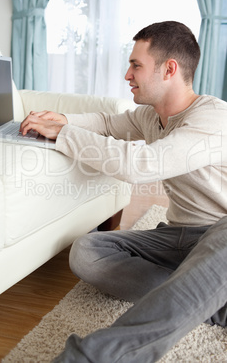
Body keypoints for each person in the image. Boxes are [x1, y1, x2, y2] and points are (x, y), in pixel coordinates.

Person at [20, 21, 227, 362]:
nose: (127, 75)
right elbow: (105, 123)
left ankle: (94, 356)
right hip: (178, 236)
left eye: (136, 65)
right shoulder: (150, 117)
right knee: (87, 251)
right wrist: (60, 120)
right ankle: (211, 297)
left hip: (221, 234)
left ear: (169, 69)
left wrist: (64, 135)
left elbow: (139, 165)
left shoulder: (213, 118)